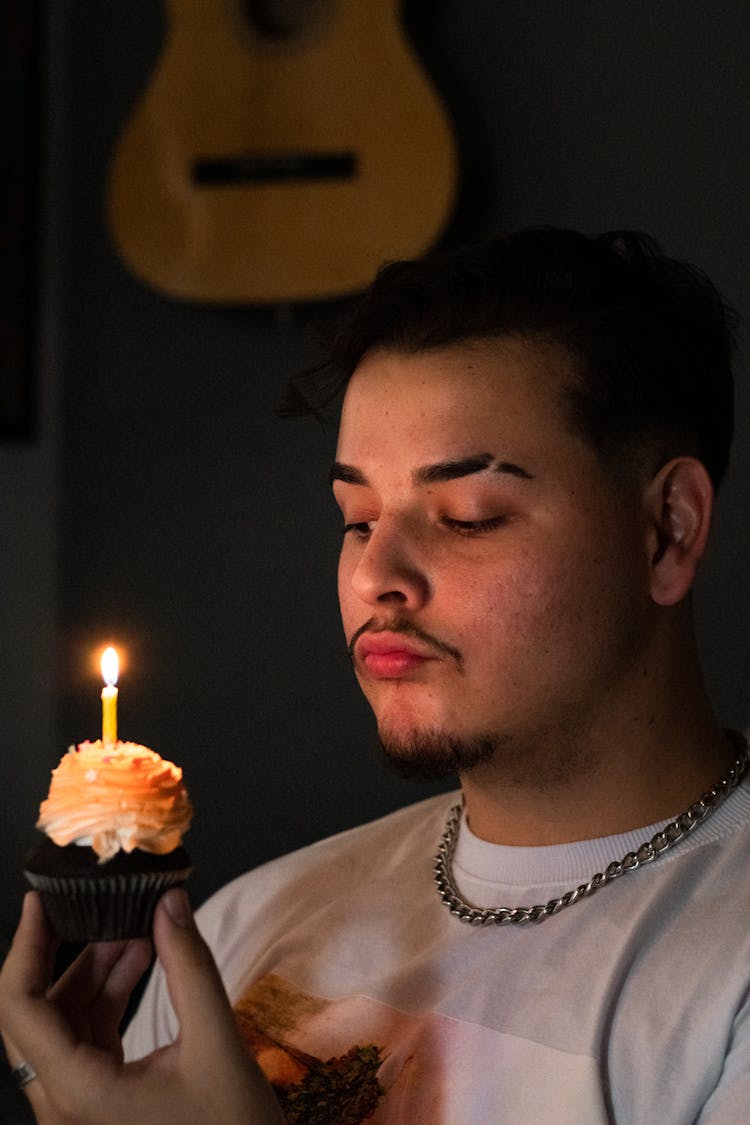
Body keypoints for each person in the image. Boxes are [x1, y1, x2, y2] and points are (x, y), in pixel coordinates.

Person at [1, 226, 748, 1123]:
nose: (372, 577)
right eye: (357, 518)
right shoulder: (248, 923)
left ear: (668, 528)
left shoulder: (724, 972)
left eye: (467, 516)